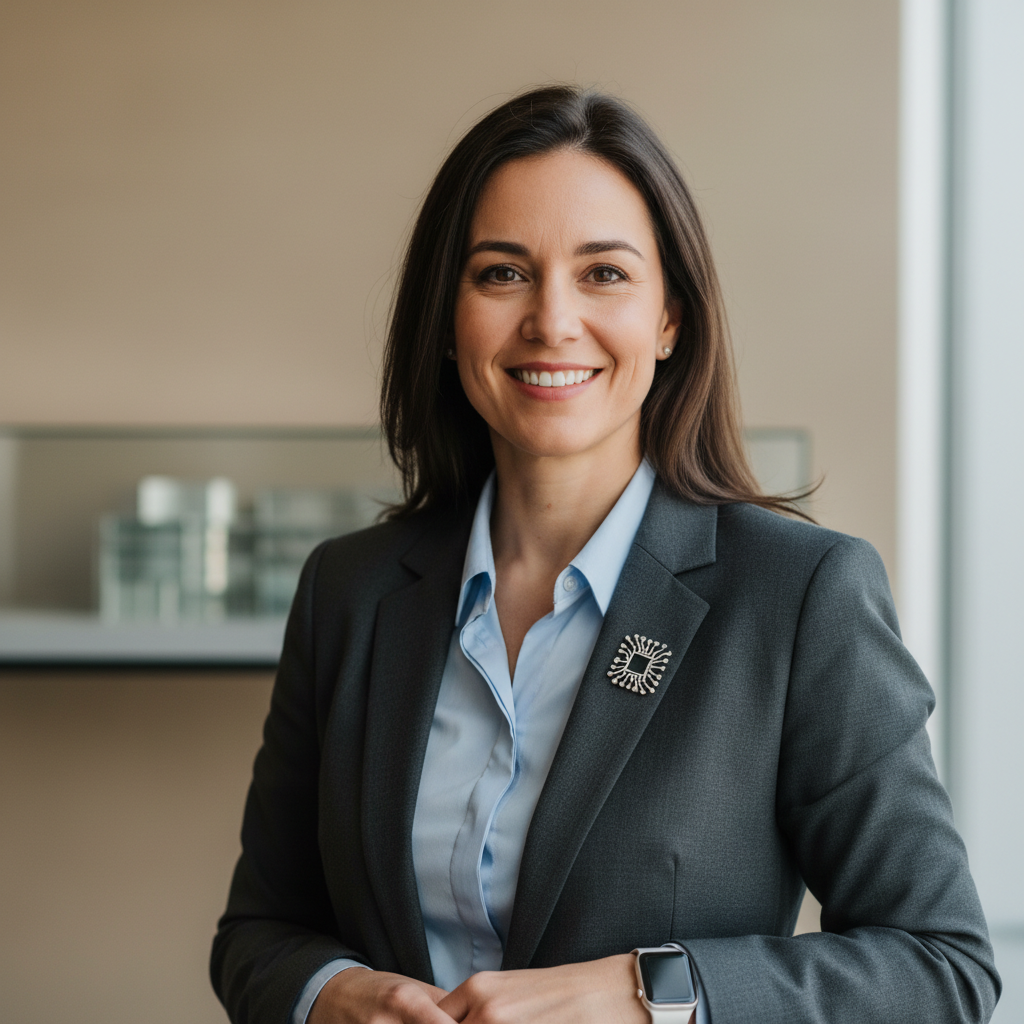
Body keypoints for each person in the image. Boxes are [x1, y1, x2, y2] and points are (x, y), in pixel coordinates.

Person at [211, 86, 999, 1024]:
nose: (551, 320)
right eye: (502, 273)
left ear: (670, 319)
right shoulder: (349, 591)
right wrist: (329, 994)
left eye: (605, 275)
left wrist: (648, 994)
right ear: (448, 318)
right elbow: (259, 930)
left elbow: (940, 966)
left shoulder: (798, 595)